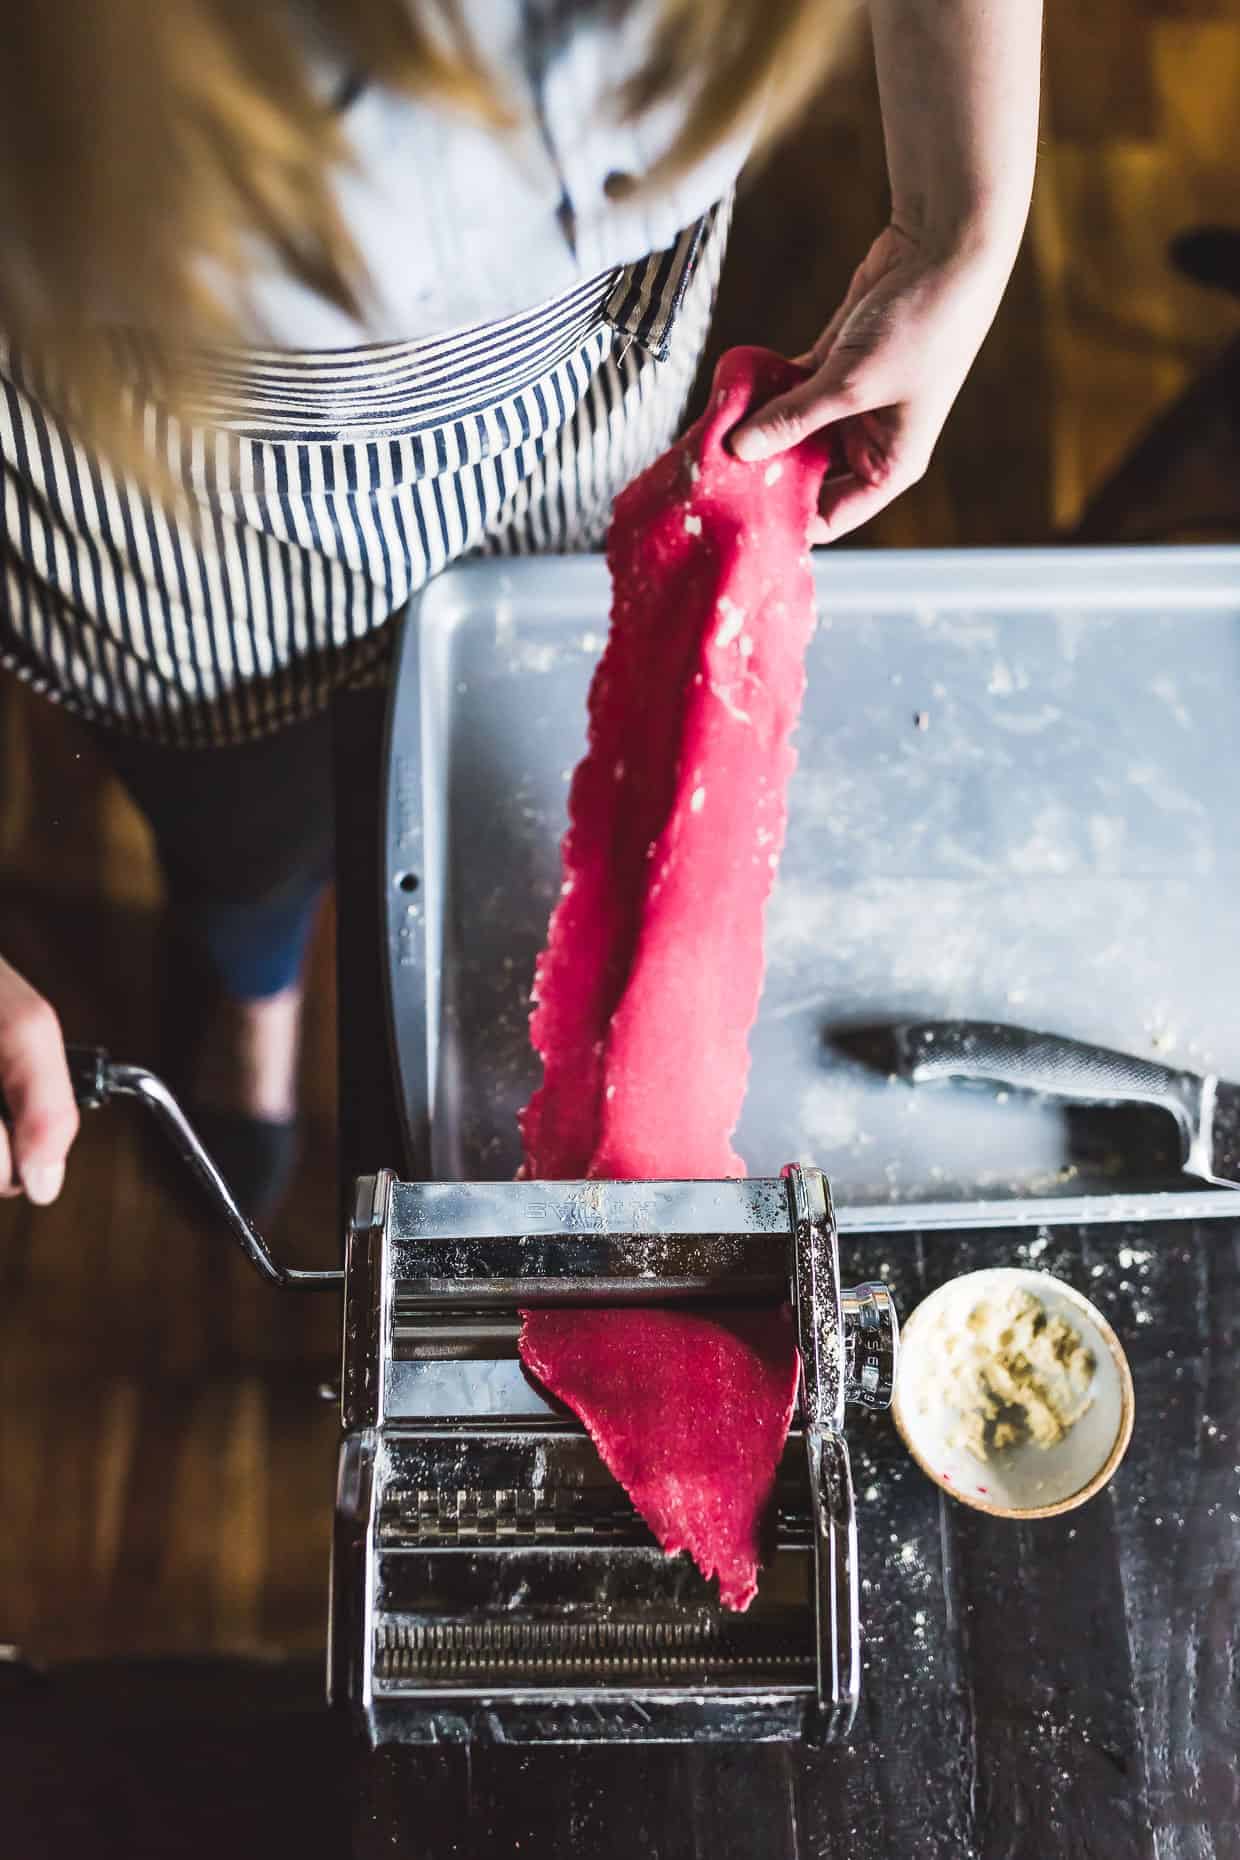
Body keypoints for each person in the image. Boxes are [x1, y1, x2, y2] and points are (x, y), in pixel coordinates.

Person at [0, 0, 1043, 1214]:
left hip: (570, 384)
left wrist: (959, 213)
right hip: (150, 459)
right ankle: (254, 996)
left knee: (515, 745)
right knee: (239, 821)